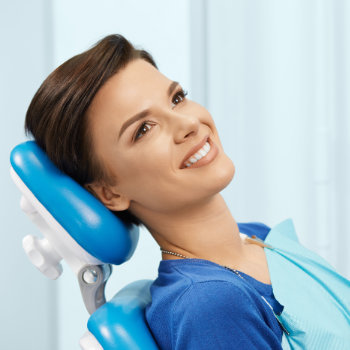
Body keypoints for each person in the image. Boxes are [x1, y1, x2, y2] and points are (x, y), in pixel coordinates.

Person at [24, 34, 350, 350]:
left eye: (177, 98)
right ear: (110, 193)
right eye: (143, 130)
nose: (189, 124)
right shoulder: (210, 306)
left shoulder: (256, 238)